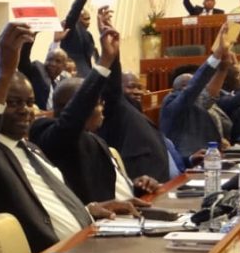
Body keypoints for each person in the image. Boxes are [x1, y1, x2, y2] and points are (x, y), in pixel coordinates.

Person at [0, 23, 136, 253]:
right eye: (13, 103)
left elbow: (48, 205)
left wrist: (87, 210)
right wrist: (4, 73)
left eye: (29, 103)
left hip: (89, 241)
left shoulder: (32, 148)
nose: (24, 110)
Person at [29, 11, 160, 205]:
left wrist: (137, 186)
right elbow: (74, 115)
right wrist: (104, 61)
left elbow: (113, 191)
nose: (103, 105)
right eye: (96, 102)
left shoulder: (96, 139)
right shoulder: (49, 135)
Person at [161, 23, 236, 159]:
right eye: (193, 85)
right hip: (186, 162)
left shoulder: (195, 103)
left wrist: (223, 67)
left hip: (208, 158)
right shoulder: (171, 103)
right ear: (183, 88)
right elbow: (194, 89)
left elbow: (210, 95)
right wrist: (217, 55)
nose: (201, 89)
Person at [97, 71, 174, 183]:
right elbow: (113, 86)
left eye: (140, 88)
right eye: (131, 87)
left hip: (160, 184)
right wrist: (112, 58)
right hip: (141, 183)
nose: (138, 92)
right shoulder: (117, 107)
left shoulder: (137, 111)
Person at [18, 37, 69, 110]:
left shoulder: (65, 81)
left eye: (58, 61)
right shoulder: (37, 70)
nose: (53, 64)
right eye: (49, 60)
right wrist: (29, 39)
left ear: (64, 66)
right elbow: (23, 59)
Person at [61, 0, 97, 77]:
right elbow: (74, 11)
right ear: (78, 18)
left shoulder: (88, 35)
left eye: (89, 19)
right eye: (85, 19)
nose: (88, 22)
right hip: (73, 76)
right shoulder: (70, 30)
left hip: (87, 75)